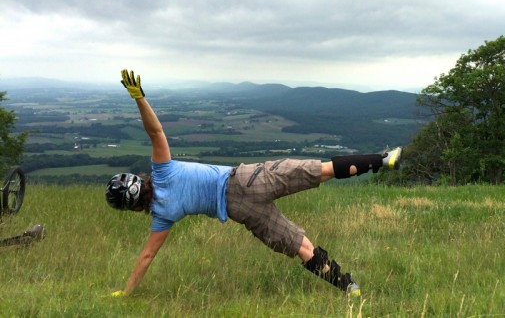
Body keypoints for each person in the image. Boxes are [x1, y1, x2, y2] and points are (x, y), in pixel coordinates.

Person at [107, 69, 401, 297]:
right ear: (138, 181)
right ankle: (382, 159)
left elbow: (146, 256)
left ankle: (348, 286)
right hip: (246, 179)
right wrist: (139, 98)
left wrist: (126, 291)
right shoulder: (162, 171)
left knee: (301, 247)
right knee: (320, 170)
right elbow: (156, 132)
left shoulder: (162, 216)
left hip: (241, 211)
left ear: (131, 208)